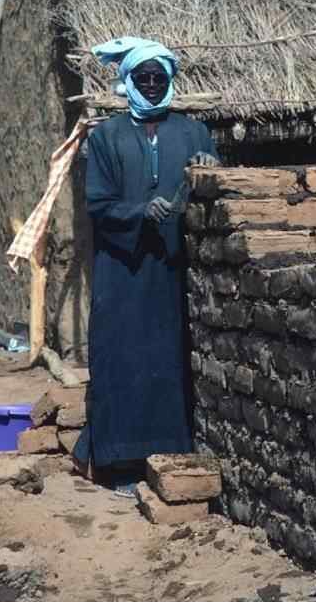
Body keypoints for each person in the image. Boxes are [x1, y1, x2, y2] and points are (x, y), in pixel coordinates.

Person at [73, 37, 219, 496]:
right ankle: (120, 464)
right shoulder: (106, 138)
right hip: (123, 269)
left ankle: (171, 456)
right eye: (144, 78)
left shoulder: (194, 132)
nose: (153, 86)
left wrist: (209, 170)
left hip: (174, 267)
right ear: (128, 81)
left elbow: (221, 189)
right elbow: (98, 204)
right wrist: (141, 211)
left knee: (169, 357)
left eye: (160, 78)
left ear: (170, 81)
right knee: (121, 356)